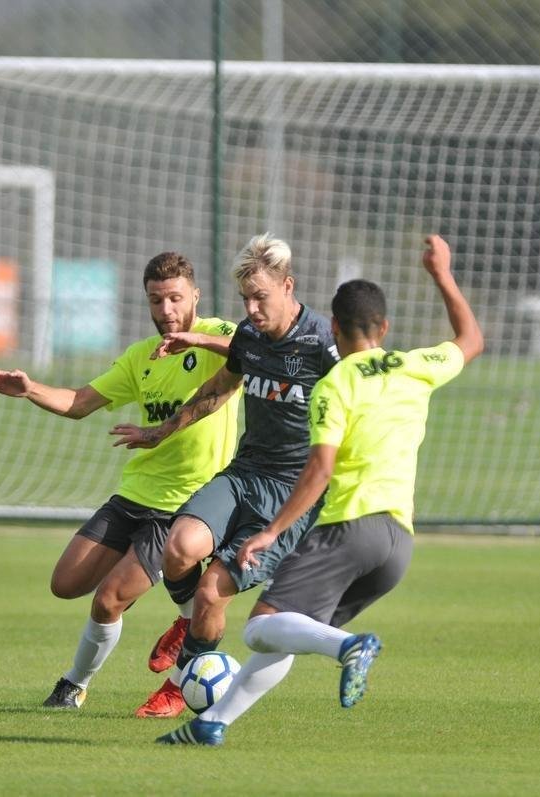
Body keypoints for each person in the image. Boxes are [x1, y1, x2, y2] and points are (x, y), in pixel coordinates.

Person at [155, 234, 484, 746]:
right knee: (288, 634)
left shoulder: (334, 381)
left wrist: (274, 532)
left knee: (262, 627)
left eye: (260, 296)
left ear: (331, 327)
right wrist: (442, 273)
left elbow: (319, 470)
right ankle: (209, 725)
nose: (252, 308)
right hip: (399, 542)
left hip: (346, 527)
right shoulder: (416, 365)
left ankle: (350, 647)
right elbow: (471, 341)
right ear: (385, 328)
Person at [0, 251, 239, 712]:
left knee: (108, 601)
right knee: (65, 583)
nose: (166, 311)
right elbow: (80, 402)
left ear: (195, 295)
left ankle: (73, 685)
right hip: (134, 495)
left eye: (175, 298)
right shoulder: (140, 357)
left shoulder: (218, 336)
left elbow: (251, 350)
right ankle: (182, 609)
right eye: (156, 301)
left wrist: (193, 339)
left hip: (182, 505)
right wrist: (30, 389)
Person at [111, 233, 341, 718]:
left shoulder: (323, 343)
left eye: (261, 297)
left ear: (288, 286)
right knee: (178, 548)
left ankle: (179, 686)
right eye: (245, 299)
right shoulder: (250, 337)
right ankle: (188, 623)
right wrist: (161, 431)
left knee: (214, 586)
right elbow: (221, 385)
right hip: (244, 473)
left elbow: (361, 398)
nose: (253, 309)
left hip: (291, 492)